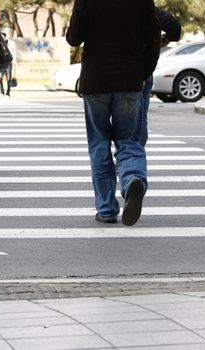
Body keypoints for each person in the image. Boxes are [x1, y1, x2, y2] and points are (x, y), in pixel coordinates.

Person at [66, 0, 161, 226]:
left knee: (99, 142)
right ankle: (132, 181)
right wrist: (144, 71)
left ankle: (107, 209)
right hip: (129, 79)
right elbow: (154, 35)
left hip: (95, 80)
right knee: (129, 139)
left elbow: (73, 38)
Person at [140, 8, 181, 146]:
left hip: (106, 73)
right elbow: (174, 28)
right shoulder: (144, 6)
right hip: (141, 71)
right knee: (138, 122)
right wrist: (161, 41)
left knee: (102, 130)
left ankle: (124, 162)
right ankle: (131, 162)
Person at [0, 32, 15, 97]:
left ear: (5, 37)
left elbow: (14, 54)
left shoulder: (11, 43)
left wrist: (14, 63)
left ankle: (8, 93)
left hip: (8, 63)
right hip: (1, 64)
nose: (2, 38)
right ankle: (1, 92)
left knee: (8, 79)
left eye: (3, 37)